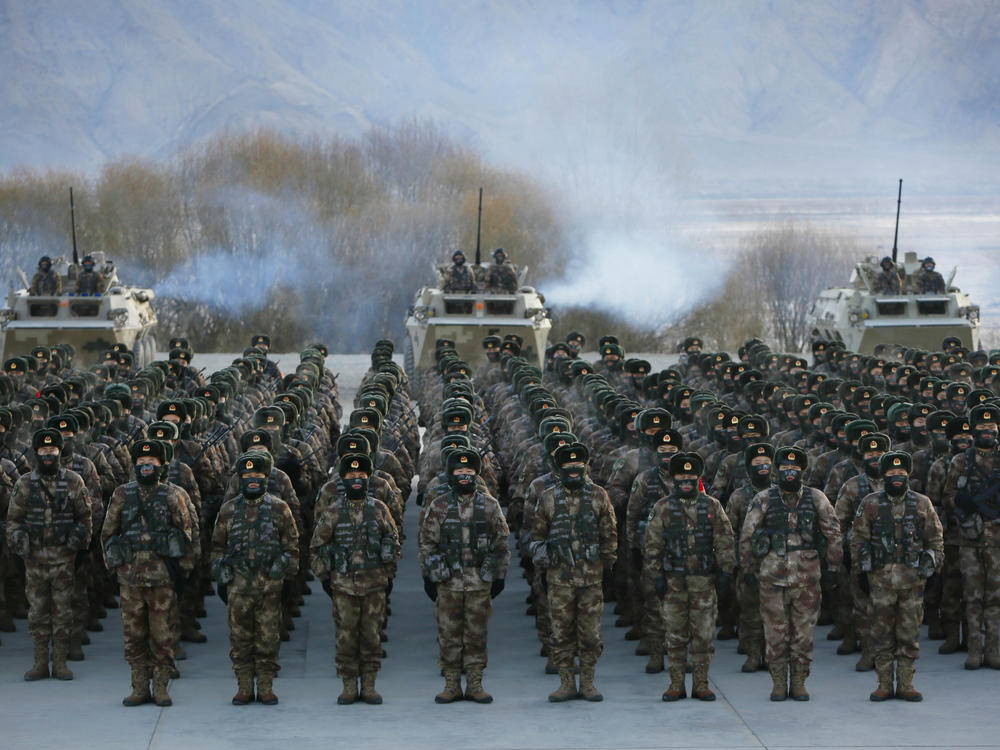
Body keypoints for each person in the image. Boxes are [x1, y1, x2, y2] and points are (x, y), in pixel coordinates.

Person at [740, 446, 842, 701]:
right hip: (772, 578)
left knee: (803, 633)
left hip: (807, 579)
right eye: (784, 468)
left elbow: (833, 534)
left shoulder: (817, 498)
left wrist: (834, 568)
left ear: (802, 471)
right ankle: (777, 683)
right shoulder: (763, 498)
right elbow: (747, 536)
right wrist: (748, 570)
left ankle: (798, 682)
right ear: (777, 470)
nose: (789, 473)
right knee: (775, 632)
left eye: (794, 469)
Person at [101, 439, 194, 707]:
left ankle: (162, 686)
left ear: (161, 465)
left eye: (151, 462)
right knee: (133, 636)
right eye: (141, 463)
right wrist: (114, 567)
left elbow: (185, 534)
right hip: (130, 579)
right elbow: (108, 533)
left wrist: (181, 575)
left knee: (162, 635)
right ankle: (139, 686)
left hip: (162, 578)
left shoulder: (171, 495)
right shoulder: (121, 494)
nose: (145, 466)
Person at [419, 447, 509, 704]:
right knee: (449, 635)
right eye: (459, 471)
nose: (464, 475)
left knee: (476, 635)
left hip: (480, 584)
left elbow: (501, 543)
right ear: (451, 474)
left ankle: (475, 684)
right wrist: (430, 576)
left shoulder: (490, 506)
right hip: (448, 584)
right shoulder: (439, 506)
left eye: (470, 471)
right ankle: (451, 685)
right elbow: (427, 544)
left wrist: (498, 576)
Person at [851, 451, 943, 701]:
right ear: (883, 476)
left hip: (913, 581)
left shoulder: (922, 503)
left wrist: (934, 567)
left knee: (909, 634)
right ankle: (883, 683)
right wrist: (861, 572)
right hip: (880, 581)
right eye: (891, 473)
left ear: (908, 475)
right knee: (881, 633)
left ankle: (905, 683)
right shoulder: (870, 503)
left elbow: (935, 539)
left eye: (901, 473)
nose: (897, 477)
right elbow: (858, 539)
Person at [530, 442, 617, 702]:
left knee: (590, 634)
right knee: (561, 633)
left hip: (591, 579)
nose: (574, 470)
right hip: (559, 580)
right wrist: (545, 566)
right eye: (568, 466)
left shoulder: (599, 495)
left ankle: (588, 683)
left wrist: (608, 565)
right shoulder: (547, 497)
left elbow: (609, 534)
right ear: (559, 469)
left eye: (578, 465)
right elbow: (536, 537)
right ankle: (566, 682)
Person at [644, 452, 735, 702]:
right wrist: (656, 576)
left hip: (704, 582)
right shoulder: (662, 507)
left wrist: (726, 570)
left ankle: (701, 684)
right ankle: (676, 685)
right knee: (675, 635)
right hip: (674, 583)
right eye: (681, 477)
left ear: (698, 478)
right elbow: (652, 545)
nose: (686, 481)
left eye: (691, 477)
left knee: (704, 636)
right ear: (674, 479)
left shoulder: (712, 506)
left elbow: (725, 540)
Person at [310, 453, 398, 705]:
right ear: (343, 479)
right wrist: (326, 578)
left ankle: (369, 685)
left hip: (374, 586)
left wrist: (387, 575)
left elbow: (392, 542)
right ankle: (348, 685)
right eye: (351, 476)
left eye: (361, 476)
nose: (356, 479)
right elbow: (316, 547)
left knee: (371, 636)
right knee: (346, 637)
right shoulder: (333, 511)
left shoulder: (380, 509)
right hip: (343, 586)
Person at [212, 451, 299, 706]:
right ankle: (243, 687)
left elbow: (292, 546)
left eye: (257, 475)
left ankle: (265, 687)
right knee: (240, 640)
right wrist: (221, 570)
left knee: (268, 639)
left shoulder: (279, 508)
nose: (252, 480)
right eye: (247, 475)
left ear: (265, 477)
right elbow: (217, 547)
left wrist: (282, 570)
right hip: (238, 588)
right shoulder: (228, 510)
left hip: (269, 588)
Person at [5, 428, 91, 681]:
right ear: (35, 453)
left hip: (64, 558)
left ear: (59, 452)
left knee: (63, 611)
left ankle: (60, 662)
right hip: (35, 560)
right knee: (38, 612)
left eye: (52, 451)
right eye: (43, 451)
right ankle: (40, 662)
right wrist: (18, 542)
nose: (47, 455)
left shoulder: (74, 481)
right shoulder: (24, 483)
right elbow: (13, 520)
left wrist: (79, 540)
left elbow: (85, 517)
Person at [941, 404, 1000, 669]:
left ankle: (994, 650)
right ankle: (975, 650)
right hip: (970, 538)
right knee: (973, 596)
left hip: (997, 539)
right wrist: (961, 503)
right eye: (982, 427)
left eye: (991, 427)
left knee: (996, 597)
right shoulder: (961, 461)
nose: (987, 431)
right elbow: (946, 497)